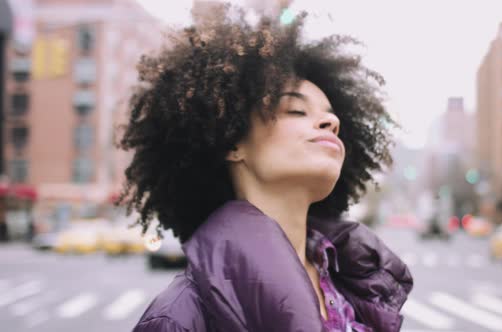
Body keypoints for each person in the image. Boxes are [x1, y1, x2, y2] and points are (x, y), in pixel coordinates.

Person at [119, 4, 413, 332]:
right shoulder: (181, 317)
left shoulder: (354, 289)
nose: (332, 121)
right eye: (296, 110)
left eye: (331, 115)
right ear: (232, 143)